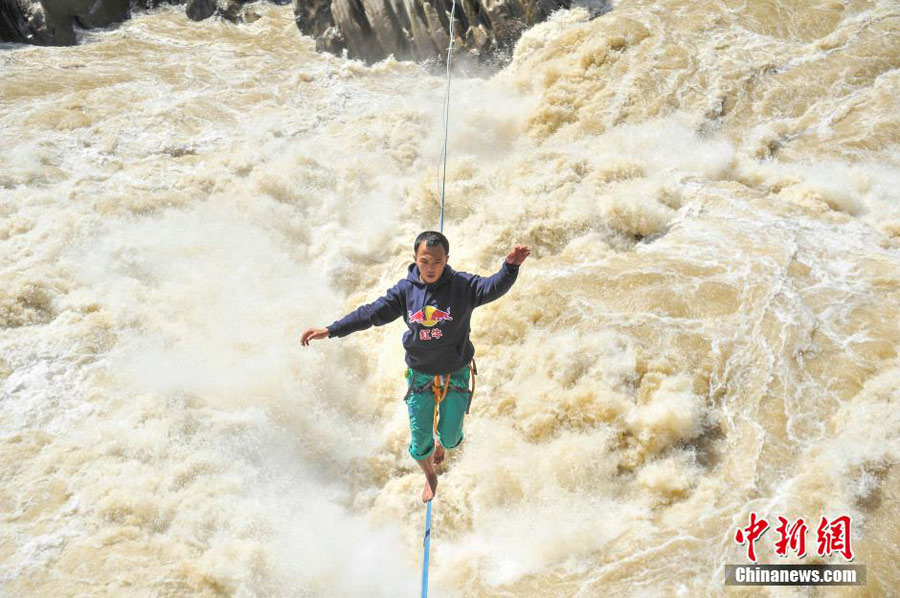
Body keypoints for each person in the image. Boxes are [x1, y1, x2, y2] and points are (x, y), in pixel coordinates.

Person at [301, 231, 531, 502]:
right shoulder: (405, 291)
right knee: (421, 442)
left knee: (450, 438)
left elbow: (493, 287)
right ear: (415, 259)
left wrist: (510, 267)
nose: (431, 268)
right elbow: (371, 313)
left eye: (437, 262)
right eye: (425, 261)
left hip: (455, 371)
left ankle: (442, 444)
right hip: (420, 374)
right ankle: (430, 474)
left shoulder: (462, 286)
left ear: (446, 260)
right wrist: (331, 330)